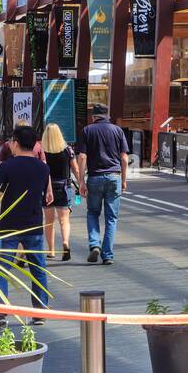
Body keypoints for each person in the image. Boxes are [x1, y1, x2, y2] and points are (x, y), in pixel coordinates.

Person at [0, 125, 52, 325]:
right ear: (34, 146)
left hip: (9, 225)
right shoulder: (43, 168)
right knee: (38, 268)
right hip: (34, 224)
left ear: (15, 143)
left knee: (1, 269)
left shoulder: (7, 167)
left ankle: (0, 312)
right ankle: (40, 311)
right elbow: (46, 195)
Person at [74, 104, 128, 266]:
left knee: (92, 213)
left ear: (93, 116)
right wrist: (124, 179)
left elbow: (82, 157)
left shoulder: (87, 131)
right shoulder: (118, 131)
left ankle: (95, 244)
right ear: (107, 116)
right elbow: (124, 158)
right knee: (111, 218)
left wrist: (81, 181)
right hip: (114, 177)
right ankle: (108, 255)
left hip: (95, 177)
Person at [41, 123, 75, 262]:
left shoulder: (42, 150)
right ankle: (65, 243)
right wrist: (79, 182)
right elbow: (76, 168)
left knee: (49, 221)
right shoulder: (67, 149)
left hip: (46, 187)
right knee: (64, 220)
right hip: (63, 186)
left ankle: (51, 251)